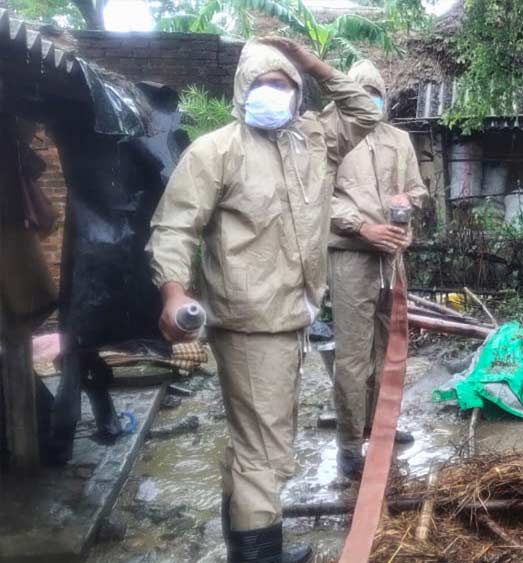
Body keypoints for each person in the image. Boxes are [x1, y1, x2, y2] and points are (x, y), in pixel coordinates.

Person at [146, 38, 380, 563]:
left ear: (298, 93)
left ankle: (246, 548)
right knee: (265, 451)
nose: (274, 93)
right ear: (242, 89)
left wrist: (313, 65)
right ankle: (261, 555)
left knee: (254, 441)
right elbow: (175, 227)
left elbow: (367, 111)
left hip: (293, 315)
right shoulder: (216, 151)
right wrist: (174, 291)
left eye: (284, 85)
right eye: (263, 83)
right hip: (248, 322)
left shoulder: (313, 141)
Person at [324, 60, 428, 480]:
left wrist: (406, 208)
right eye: (361, 93)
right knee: (353, 356)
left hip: (392, 257)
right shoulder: (330, 137)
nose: (370, 101)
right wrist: (361, 226)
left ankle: (381, 426)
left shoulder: (398, 140)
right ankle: (350, 444)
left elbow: (416, 190)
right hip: (351, 255)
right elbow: (318, 196)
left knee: (390, 349)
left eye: (376, 93)